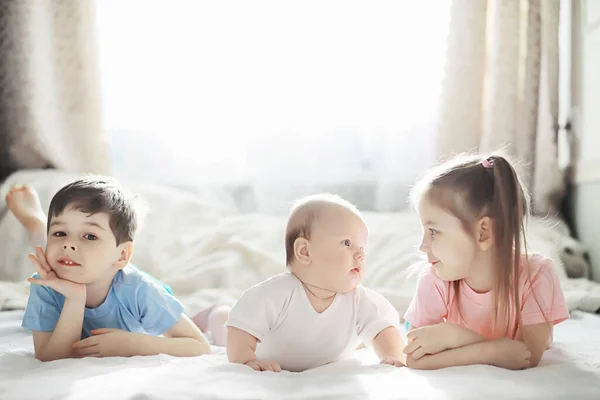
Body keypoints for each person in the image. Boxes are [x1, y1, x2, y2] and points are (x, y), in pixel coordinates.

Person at [5, 177, 211, 361]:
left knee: (190, 317)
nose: (69, 243)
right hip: (75, 265)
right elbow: (50, 357)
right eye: (59, 232)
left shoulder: (141, 290)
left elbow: (200, 346)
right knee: (53, 257)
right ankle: (39, 226)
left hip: (141, 289)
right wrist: (75, 299)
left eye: (90, 236)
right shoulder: (45, 284)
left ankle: (204, 316)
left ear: (122, 255)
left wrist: (133, 344)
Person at [403, 154, 569, 370]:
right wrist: (492, 351)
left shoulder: (537, 275)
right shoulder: (434, 278)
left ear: (483, 232)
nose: (422, 246)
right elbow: (414, 358)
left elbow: (526, 355)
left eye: (433, 231)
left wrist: (455, 337)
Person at [226, 194, 405, 372]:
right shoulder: (277, 294)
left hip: (327, 353)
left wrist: (392, 356)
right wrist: (245, 359)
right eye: (347, 243)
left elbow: (383, 330)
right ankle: (215, 314)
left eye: (362, 247)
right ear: (305, 251)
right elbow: (241, 326)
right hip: (266, 353)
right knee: (221, 323)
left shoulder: (360, 301)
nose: (360, 255)